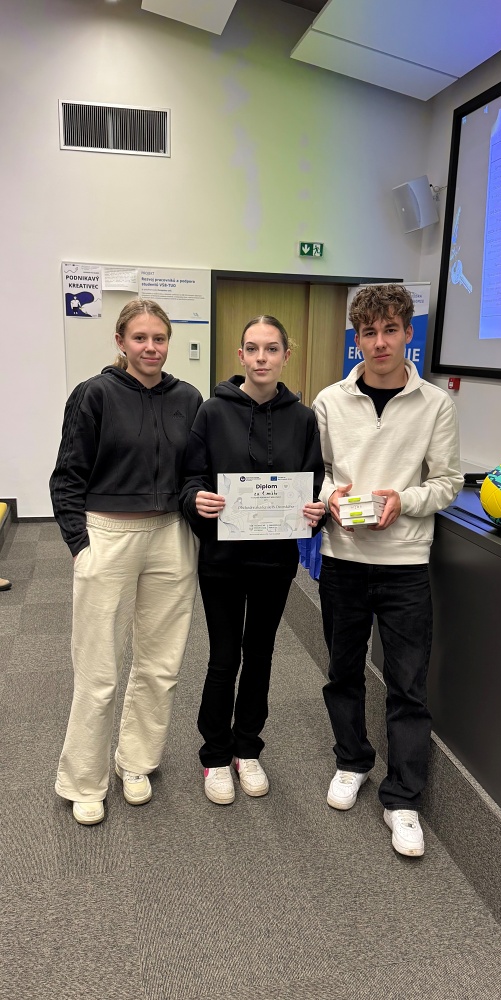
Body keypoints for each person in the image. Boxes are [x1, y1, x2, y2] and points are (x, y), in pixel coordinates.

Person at [312, 284, 463, 856]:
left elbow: (447, 482)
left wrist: (405, 500)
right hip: (343, 560)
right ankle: (352, 761)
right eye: (369, 332)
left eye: (390, 330)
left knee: (407, 684)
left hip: (404, 564)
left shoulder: (435, 404)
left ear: (407, 334)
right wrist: (331, 496)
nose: (380, 342)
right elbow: (318, 471)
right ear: (357, 339)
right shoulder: (330, 400)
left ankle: (402, 799)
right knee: (342, 672)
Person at [50, 299, 202, 825]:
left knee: (161, 665)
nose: (151, 348)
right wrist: (81, 545)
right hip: (108, 536)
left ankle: (136, 761)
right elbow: (67, 475)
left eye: (159, 338)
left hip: (172, 537)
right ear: (120, 341)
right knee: (99, 669)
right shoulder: (94, 394)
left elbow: (195, 473)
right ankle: (84, 779)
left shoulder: (188, 398)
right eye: (140, 338)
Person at [180, 315, 325, 805]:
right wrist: (195, 499)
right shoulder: (211, 412)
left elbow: (314, 485)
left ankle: (247, 747)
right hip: (221, 559)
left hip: (274, 562)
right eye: (253, 348)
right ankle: (215, 754)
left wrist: (316, 511)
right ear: (240, 355)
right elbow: (190, 478)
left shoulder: (303, 419)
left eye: (271, 349)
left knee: (260, 655)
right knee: (223, 657)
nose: (262, 358)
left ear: (286, 355)